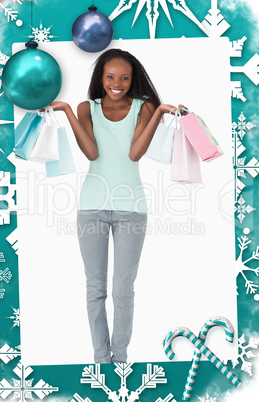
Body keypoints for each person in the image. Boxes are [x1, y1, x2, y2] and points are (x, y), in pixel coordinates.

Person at [48, 48, 188, 364]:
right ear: (101, 77)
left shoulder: (144, 108)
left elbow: (135, 154)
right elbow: (92, 154)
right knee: (95, 289)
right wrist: (69, 111)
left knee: (123, 290)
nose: (117, 83)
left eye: (124, 78)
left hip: (131, 207)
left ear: (132, 79)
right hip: (91, 207)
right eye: (110, 76)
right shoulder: (87, 108)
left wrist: (159, 114)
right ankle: (101, 359)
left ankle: (120, 358)